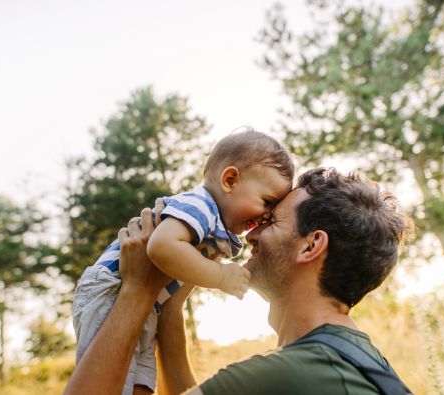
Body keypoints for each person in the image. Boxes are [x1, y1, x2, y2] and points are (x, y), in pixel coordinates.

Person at [65, 167, 415, 395]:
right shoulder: (361, 363)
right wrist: (170, 306)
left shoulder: (283, 378)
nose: (250, 234)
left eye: (271, 221)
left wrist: (138, 290)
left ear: (311, 245)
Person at [72, 130, 294, 395]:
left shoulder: (214, 226)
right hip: (111, 288)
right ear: (230, 180)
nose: (266, 216)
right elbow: (161, 246)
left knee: (142, 379)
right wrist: (219, 276)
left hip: (148, 304)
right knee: (115, 379)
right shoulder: (200, 206)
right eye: (267, 202)